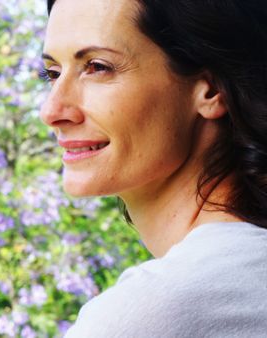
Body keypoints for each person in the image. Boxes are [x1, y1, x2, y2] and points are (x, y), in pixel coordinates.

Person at [40, 0, 267, 336]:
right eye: (52, 74)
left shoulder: (153, 312)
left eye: (98, 67)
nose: (52, 110)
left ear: (212, 88)